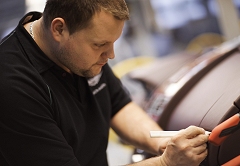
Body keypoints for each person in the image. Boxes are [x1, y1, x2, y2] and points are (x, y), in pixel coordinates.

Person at [0, 0, 208, 165]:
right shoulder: (12, 86)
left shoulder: (78, 53)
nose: (110, 54)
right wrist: (165, 163)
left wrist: (164, 142)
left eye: (113, 43)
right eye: (100, 44)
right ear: (59, 29)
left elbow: (118, 105)